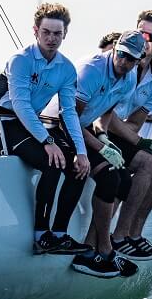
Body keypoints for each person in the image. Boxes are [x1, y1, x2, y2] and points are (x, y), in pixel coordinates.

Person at [0, 3, 92, 256]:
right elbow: (20, 105)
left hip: (29, 123)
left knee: (78, 167)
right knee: (53, 161)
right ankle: (41, 236)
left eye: (57, 33)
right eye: (46, 32)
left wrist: (81, 151)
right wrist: (47, 141)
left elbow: (69, 111)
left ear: (65, 34)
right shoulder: (21, 60)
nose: (51, 39)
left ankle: (60, 235)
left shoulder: (66, 68)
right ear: (35, 31)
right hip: (3, 121)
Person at [49, 30, 144, 278]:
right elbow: (69, 119)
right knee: (109, 176)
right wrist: (100, 148)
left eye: (131, 59)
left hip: (82, 128)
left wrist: (103, 136)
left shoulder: (129, 77)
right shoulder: (92, 70)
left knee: (124, 181)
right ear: (114, 50)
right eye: (121, 55)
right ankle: (105, 248)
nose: (124, 62)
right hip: (56, 126)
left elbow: (105, 114)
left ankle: (94, 249)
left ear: (137, 60)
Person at [105, 11, 152, 260]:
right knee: (149, 159)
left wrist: (134, 139)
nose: (145, 41)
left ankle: (131, 234)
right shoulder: (121, 63)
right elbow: (104, 114)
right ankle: (116, 237)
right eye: (141, 33)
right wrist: (137, 142)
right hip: (98, 130)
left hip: (120, 133)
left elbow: (134, 124)